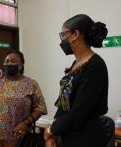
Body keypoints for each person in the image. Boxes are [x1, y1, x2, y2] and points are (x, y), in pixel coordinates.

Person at [46, 14, 109, 147]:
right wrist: (53, 130)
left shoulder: (95, 65)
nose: (62, 39)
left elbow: (79, 113)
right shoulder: (76, 63)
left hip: (86, 139)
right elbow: (63, 104)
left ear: (75, 34)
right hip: (68, 136)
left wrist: (52, 129)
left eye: (63, 34)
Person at [0, 50, 47, 147]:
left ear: (21, 65)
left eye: (13, 61)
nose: (9, 63)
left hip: (17, 137)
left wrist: (26, 122)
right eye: (7, 61)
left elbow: (40, 107)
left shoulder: (31, 84)